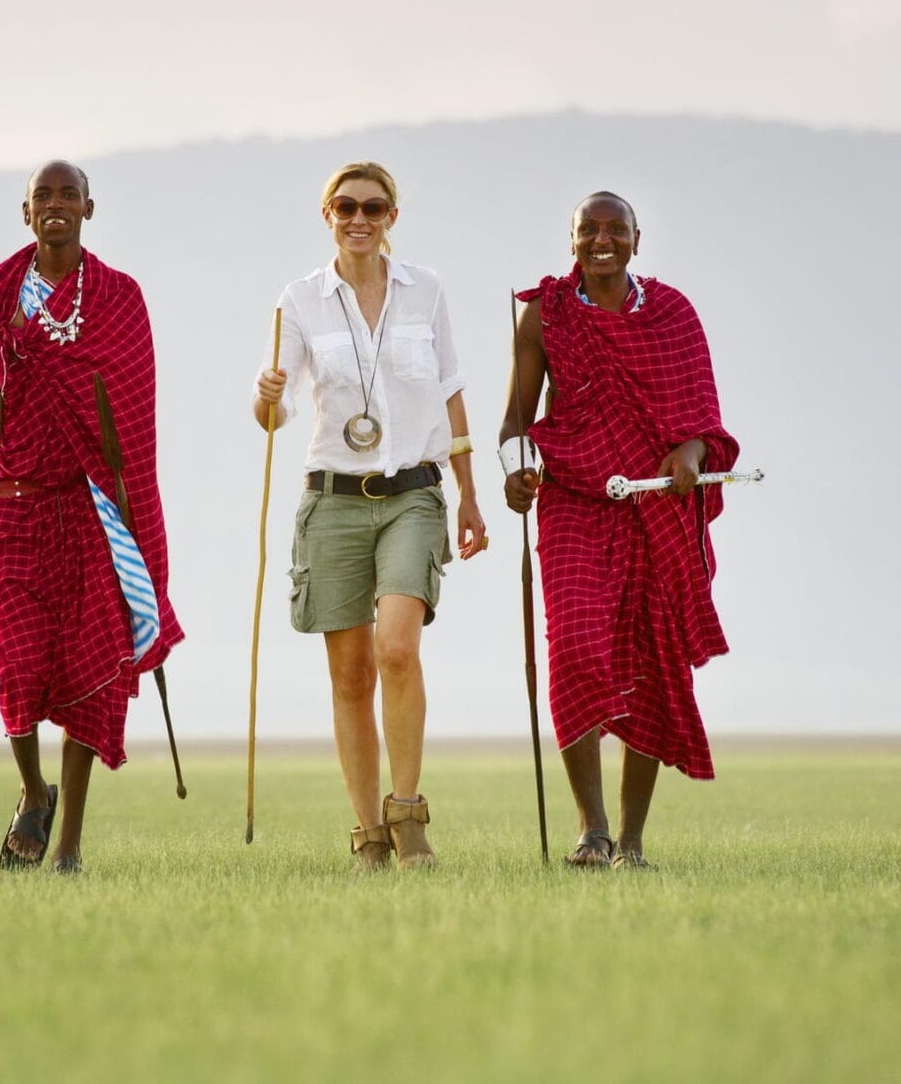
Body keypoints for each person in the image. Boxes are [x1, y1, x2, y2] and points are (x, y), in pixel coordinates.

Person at [252, 161, 487, 871]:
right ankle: (368, 836)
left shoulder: (427, 291)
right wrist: (264, 396)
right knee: (350, 674)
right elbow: (277, 412)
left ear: (391, 217)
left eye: (374, 208)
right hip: (332, 500)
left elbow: (451, 393)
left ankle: (408, 812)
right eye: (347, 206)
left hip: (413, 493)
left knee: (397, 648)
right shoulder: (300, 299)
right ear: (328, 214)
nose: (360, 219)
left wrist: (469, 494)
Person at [0, 160, 183, 875]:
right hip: (17, 504)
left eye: (67, 195)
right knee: (16, 670)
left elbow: (134, 421)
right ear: (26, 213)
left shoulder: (118, 297)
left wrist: (131, 515)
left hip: (93, 514)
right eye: (41, 196)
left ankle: (72, 846)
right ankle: (31, 791)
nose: (55, 205)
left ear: (89, 208)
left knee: (92, 673)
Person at [499, 191, 739, 869]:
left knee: (650, 666)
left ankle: (630, 844)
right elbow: (515, 423)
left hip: (656, 504)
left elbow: (702, 420)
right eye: (588, 230)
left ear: (638, 238)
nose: (602, 240)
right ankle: (592, 831)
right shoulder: (545, 315)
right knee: (574, 646)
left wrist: (690, 456)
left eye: (616, 230)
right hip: (573, 498)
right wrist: (517, 471)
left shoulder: (672, 314)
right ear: (570, 239)